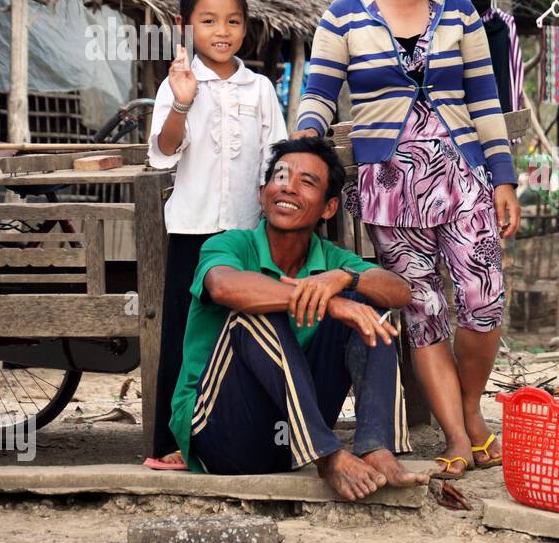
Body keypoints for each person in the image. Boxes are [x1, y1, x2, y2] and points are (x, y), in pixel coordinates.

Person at [293, 0, 521, 479]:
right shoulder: (342, 17)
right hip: (390, 187)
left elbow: (485, 99)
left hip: (462, 174)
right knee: (423, 311)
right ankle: (456, 434)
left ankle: (471, 408)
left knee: (482, 302)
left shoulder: (462, 11)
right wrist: (306, 151)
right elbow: (317, 96)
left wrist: (503, 177)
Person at [168, 137, 427, 500]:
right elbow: (225, 288)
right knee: (255, 315)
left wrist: (346, 280)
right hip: (221, 434)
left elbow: (400, 291)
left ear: (328, 207)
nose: (288, 186)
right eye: (280, 177)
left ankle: (376, 447)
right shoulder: (228, 245)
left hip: (289, 441)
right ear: (263, 193)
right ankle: (329, 456)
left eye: (307, 182)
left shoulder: (329, 258)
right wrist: (330, 303)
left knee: (371, 307)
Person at [145, 0, 287, 470]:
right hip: (192, 228)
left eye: (233, 22)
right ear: (185, 27)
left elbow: (276, 160)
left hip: (246, 232)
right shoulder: (176, 84)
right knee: (185, 333)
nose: (221, 31)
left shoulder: (261, 89)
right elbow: (163, 153)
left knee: (246, 330)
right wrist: (183, 101)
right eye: (208, 21)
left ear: (246, 29)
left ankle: (237, 433)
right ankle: (170, 442)